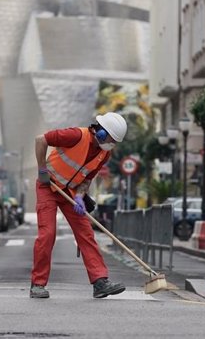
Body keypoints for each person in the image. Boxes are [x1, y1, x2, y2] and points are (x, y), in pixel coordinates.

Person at [30, 112, 128, 299]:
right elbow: (40, 140)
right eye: (111, 139)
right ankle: (38, 284)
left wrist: (81, 197)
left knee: (86, 233)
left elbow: (87, 179)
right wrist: (42, 169)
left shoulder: (104, 154)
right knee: (47, 234)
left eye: (115, 142)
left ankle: (100, 282)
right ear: (100, 132)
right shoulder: (75, 135)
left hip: (70, 193)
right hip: (47, 185)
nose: (112, 144)